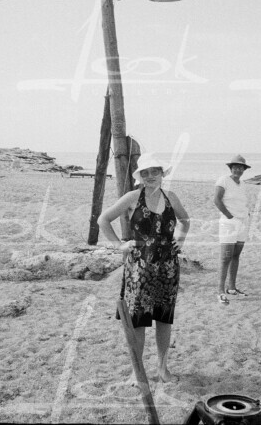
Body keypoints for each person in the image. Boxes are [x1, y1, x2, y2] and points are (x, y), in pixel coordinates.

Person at [98, 153, 190, 383]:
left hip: (168, 266)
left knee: (163, 318)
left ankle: (162, 368)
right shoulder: (132, 197)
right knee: (137, 320)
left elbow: (185, 220)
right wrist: (119, 244)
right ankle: (137, 372)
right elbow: (103, 220)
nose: (151, 176)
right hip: (139, 267)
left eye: (155, 171)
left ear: (162, 173)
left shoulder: (171, 197)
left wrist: (180, 240)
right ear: (140, 176)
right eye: (146, 173)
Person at [214, 155, 251, 306]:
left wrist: (245, 216)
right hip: (228, 223)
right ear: (231, 168)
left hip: (243, 223)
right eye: (235, 167)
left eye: (241, 167)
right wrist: (229, 216)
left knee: (236, 255)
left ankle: (232, 288)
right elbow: (217, 200)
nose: (238, 169)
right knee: (225, 258)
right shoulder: (223, 180)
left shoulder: (242, 183)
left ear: (244, 169)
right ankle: (220, 291)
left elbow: (241, 203)